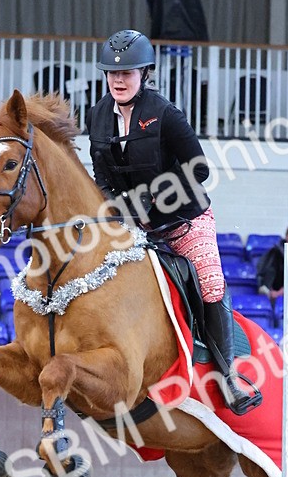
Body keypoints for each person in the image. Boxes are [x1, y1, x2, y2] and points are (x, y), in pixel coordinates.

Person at [86, 29, 259, 415]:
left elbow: (198, 169)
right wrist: (112, 208)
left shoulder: (165, 114)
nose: (118, 79)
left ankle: (229, 376)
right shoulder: (97, 116)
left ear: (144, 73)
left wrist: (154, 197)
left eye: (127, 73)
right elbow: (101, 176)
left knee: (211, 283)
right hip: (134, 226)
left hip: (183, 221)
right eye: (113, 74)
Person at [256, 228, 288, 302]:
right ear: (287, 236)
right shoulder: (276, 252)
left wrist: (279, 293)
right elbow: (268, 270)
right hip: (274, 288)